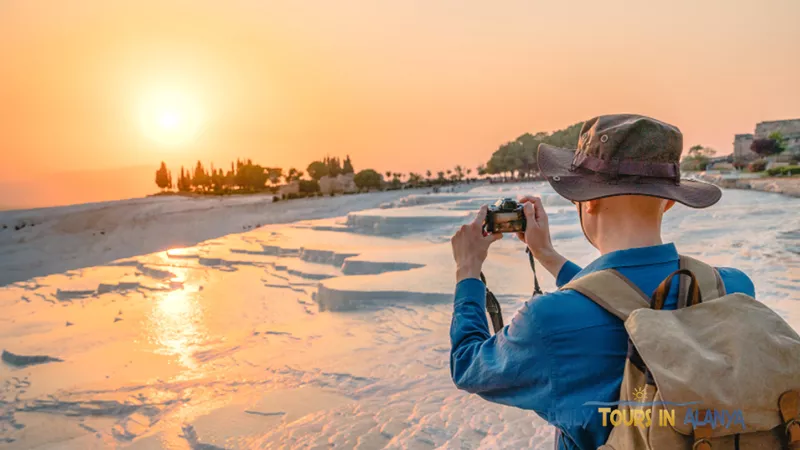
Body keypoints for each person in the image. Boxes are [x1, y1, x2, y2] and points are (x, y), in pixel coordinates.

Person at [449, 114, 755, 450]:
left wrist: (468, 270)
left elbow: (467, 365)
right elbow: (626, 300)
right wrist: (548, 256)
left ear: (588, 200)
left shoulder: (548, 322)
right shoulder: (733, 289)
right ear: (669, 201)